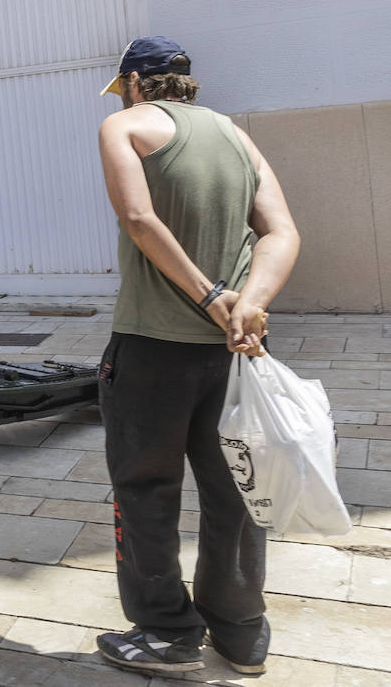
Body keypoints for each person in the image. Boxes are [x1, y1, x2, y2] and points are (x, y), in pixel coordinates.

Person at [93, 37, 300, 676]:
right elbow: (282, 230)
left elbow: (137, 216)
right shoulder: (237, 139)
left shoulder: (122, 125)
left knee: (146, 489)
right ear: (186, 83)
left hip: (152, 350)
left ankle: (167, 634)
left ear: (132, 82)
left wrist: (213, 297)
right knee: (236, 489)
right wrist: (250, 305)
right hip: (237, 354)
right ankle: (241, 634)